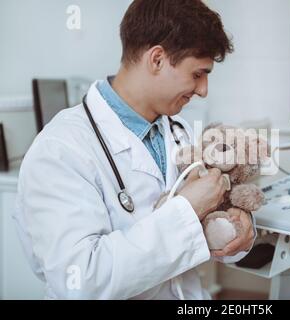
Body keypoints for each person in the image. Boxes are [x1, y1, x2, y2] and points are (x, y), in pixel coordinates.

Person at [13, 0, 256, 299]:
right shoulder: (60, 150)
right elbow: (81, 282)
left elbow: (204, 232)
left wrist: (240, 231)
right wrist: (187, 210)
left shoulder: (178, 130)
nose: (204, 90)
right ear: (156, 59)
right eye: (197, 74)